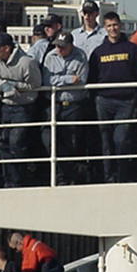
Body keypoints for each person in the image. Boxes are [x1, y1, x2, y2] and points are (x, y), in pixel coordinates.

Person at [89, 11, 137, 183]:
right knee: (105, 142)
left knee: (120, 140)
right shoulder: (98, 52)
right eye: (109, 26)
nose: (113, 29)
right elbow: (92, 78)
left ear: (120, 25)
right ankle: (108, 177)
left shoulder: (132, 49)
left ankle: (122, 176)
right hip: (104, 101)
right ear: (105, 28)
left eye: (115, 25)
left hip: (126, 102)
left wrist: (134, 98)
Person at [0, 33, 41, 187]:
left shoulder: (26, 62)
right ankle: (9, 180)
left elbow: (35, 85)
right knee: (4, 143)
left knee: (17, 143)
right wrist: (4, 86)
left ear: (7, 48)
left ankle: (21, 179)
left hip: (24, 106)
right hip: (6, 105)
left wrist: (14, 85)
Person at [42, 32, 89, 185]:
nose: (59, 49)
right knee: (50, 140)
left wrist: (58, 81)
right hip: (53, 105)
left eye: (63, 47)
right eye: (57, 46)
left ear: (71, 46)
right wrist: (69, 79)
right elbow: (47, 80)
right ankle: (60, 175)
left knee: (72, 142)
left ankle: (71, 176)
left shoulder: (81, 56)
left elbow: (81, 79)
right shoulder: (50, 57)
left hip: (74, 105)